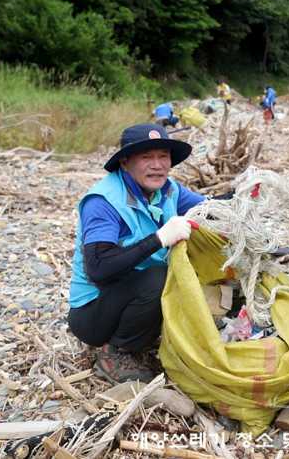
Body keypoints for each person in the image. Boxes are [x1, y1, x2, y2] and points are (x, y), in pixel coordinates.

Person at [67, 123, 203, 383]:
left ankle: (142, 340)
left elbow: (207, 208)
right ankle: (115, 353)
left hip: (129, 294)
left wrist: (241, 196)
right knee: (160, 277)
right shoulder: (103, 202)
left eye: (163, 156)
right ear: (126, 162)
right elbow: (99, 268)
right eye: (146, 157)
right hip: (93, 313)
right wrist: (160, 238)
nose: (157, 165)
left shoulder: (167, 189)